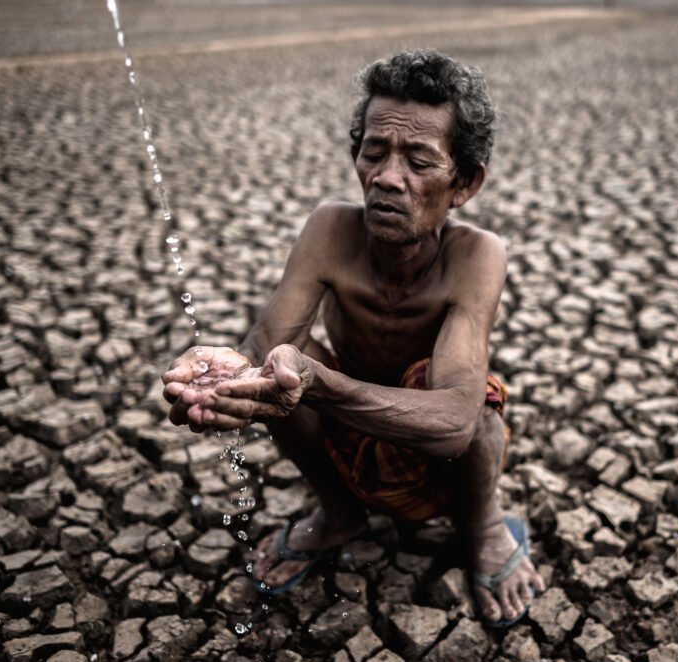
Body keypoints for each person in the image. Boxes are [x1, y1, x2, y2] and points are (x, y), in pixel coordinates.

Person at [161, 49, 544, 627]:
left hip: (436, 460)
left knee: (481, 402)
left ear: (464, 182)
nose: (388, 178)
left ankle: (485, 524)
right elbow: (269, 344)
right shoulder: (330, 229)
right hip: (345, 437)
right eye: (374, 151)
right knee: (280, 364)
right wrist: (228, 376)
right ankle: (339, 512)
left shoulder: (476, 255)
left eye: (419, 161)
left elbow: (455, 423)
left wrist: (320, 384)